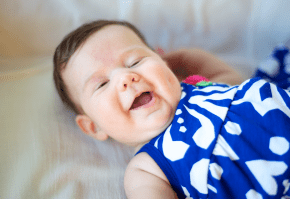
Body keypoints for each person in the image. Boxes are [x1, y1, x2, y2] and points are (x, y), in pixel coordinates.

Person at [53, 20, 290, 199]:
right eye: (102, 84)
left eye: (135, 61)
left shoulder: (197, 85)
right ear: (93, 127)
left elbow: (232, 80)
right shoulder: (145, 168)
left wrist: (183, 58)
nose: (126, 78)